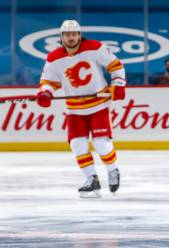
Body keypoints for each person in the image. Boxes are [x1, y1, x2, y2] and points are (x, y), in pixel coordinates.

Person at [36, 19, 126, 197]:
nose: (71, 38)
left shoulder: (94, 47)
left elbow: (116, 66)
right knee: (77, 144)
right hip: (75, 109)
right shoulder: (54, 58)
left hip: (98, 104)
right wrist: (45, 93)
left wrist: (118, 84)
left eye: (74, 34)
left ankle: (113, 170)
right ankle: (91, 179)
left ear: (79, 35)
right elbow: (48, 82)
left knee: (101, 144)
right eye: (67, 35)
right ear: (61, 37)